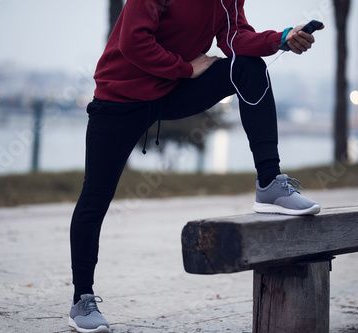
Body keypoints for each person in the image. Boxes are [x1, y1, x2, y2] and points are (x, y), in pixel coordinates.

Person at [68, 0, 323, 332]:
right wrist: (186, 69)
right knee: (95, 198)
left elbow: (234, 38)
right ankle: (81, 300)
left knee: (249, 68)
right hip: (120, 97)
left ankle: (270, 184)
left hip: (172, 90)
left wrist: (281, 38)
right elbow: (134, 41)